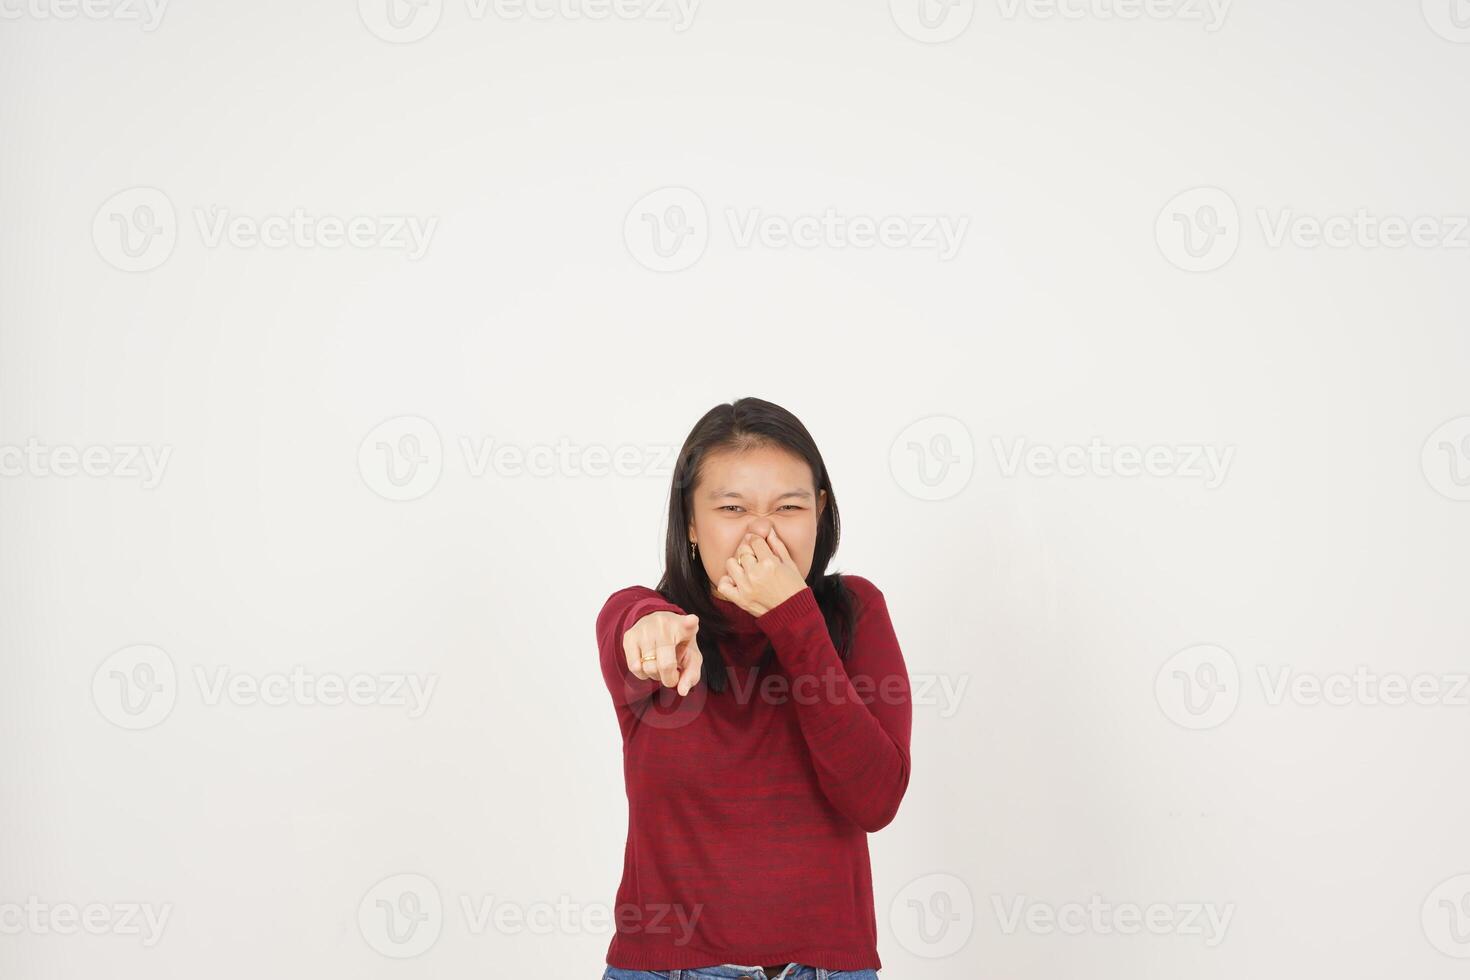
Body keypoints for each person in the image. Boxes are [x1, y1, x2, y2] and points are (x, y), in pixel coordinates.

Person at [596, 397, 912, 979]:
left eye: (788, 506)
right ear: (691, 522)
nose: (761, 533)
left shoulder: (853, 614)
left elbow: (875, 800)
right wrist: (650, 631)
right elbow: (630, 628)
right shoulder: (650, 622)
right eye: (733, 507)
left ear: (819, 511)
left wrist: (794, 620)